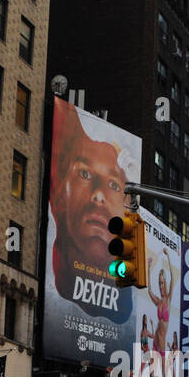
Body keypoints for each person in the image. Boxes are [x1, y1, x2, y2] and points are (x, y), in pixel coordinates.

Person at [47, 101, 136, 326]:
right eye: (85, 174)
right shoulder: (52, 296)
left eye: (114, 185)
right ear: (59, 195)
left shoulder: (129, 312)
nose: (98, 195)